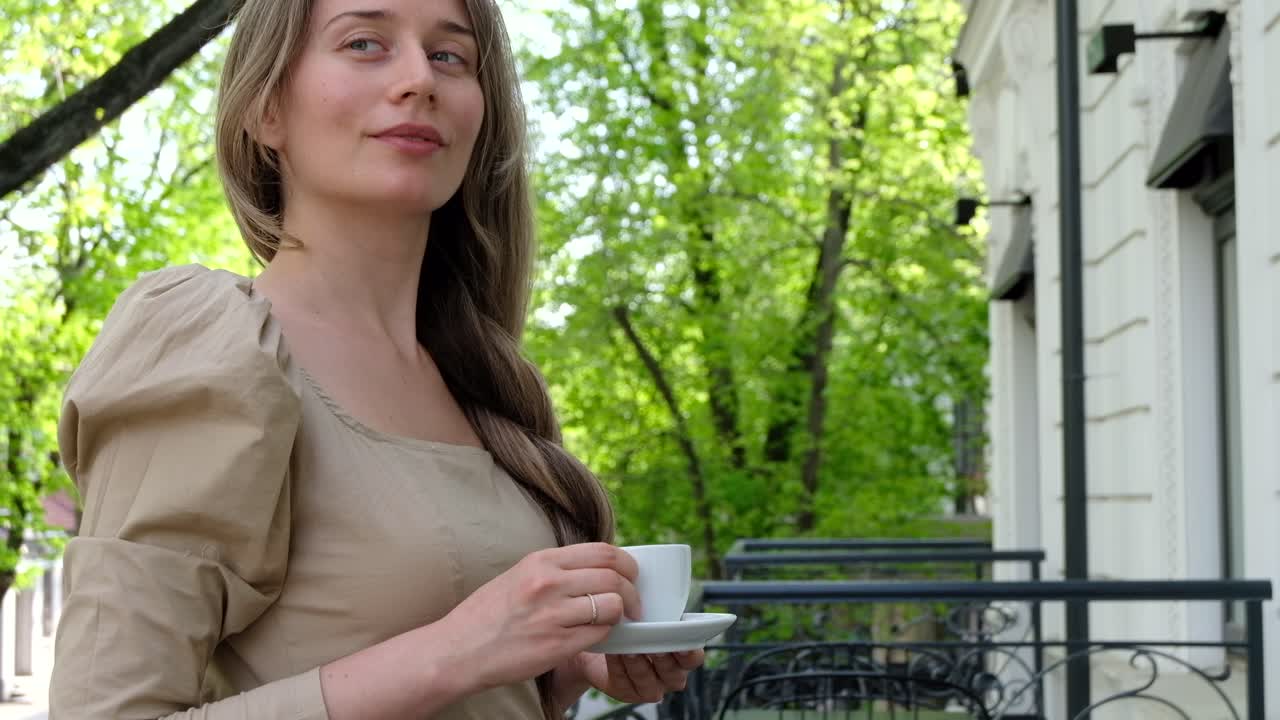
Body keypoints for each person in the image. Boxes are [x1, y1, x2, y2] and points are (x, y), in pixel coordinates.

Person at [48, 0, 704, 717]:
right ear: (267, 109)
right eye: (365, 43)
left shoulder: (479, 381)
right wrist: (457, 652)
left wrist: (560, 667)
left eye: (450, 55)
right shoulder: (207, 344)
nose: (420, 78)